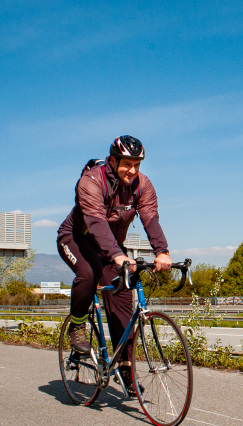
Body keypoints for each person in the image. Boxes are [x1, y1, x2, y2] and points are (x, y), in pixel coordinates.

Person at [58, 135, 171, 395]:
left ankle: (125, 367)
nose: (132, 170)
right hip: (76, 239)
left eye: (137, 165)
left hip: (110, 249)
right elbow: (96, 222)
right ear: (113, 160)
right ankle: (77, 324)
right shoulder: (92, 180)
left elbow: (150, 218)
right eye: (127, 164)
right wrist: (118, 255)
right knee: (89, 273)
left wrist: (162, 251)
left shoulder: (142, 185)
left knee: (123, 309)